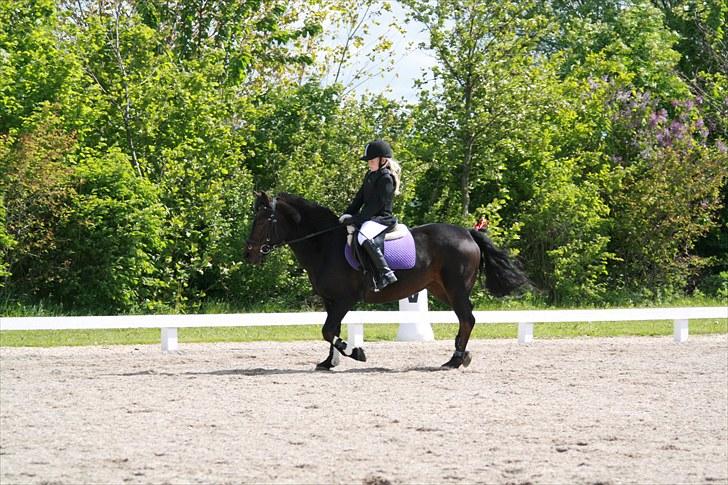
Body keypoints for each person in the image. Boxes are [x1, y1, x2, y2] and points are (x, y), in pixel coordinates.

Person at [339, 140, 402, 291]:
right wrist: (347, 213)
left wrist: (356, 219)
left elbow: (376, 206)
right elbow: (359, 198)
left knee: (363, 236)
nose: (369, 164)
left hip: (381, 219)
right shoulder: (371, 174)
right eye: (369, 161)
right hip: (371, 217)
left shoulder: (386, 178)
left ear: (383, 160)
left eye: (372, 161)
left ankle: (385, 273)